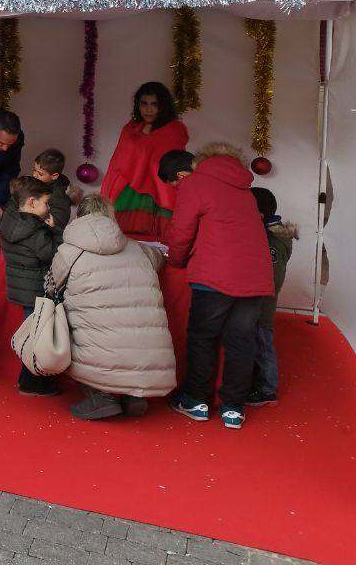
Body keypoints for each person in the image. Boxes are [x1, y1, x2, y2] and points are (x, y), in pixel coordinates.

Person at [165, 143, 274, 430]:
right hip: (255, 276)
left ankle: (197, 401)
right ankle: (233, 409)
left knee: (203, 337)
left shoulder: (194, 183)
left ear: (202, 161)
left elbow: (181, 231)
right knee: (241, 341)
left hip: (215, 272)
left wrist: (175, 262)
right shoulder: (245, 190)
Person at [49, 194, 176, 420]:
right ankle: (135, 396)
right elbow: (159, 259)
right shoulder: (138, 249)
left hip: (96, 339)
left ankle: (100, 396)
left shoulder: (69, 252)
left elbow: (50, 287)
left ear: (78, 217)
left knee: (81, 326)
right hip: (144, 343)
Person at [100, 82, 189, 237]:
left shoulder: (174, 130)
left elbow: (174, 165)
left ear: (163, 106)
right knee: (122, 239)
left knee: (160, 243)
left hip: (160, 194)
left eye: (154, 104)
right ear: (137, 105)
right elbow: (118, 163)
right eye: (144, 103)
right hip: (129, 193)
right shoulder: (129, 129)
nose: (148, 109)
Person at [0, 175, 61, 396]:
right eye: (46, 203)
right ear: (32, 203)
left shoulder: (11, 218)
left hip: (21, 285)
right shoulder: (36, 230)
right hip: (35, 287)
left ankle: (30, 379)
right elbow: (53, 254)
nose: (48, 207)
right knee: (37, 338)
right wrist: (55, 230)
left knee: (33, 334)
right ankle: (31, 381)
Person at [248, 186, 296, 407]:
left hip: (262, 300)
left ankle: (267, 389)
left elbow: (272, 276)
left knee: (262, 343)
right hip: (260, 298)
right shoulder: (274, 233)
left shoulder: (272, 239)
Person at [31, 148, 74, 230]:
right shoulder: (37, 182)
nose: (35, 175)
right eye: (34, 170)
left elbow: (58, 222)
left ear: (54, 176)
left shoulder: (59, 195)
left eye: (40, 174)